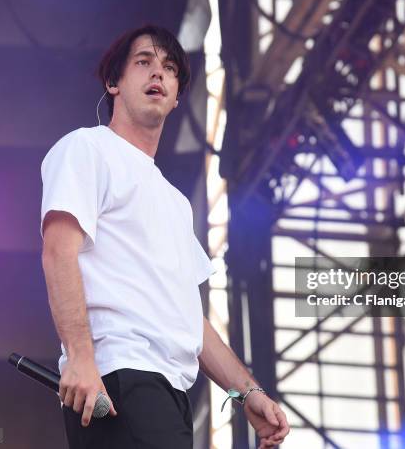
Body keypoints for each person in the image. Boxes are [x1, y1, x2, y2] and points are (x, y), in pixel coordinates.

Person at [40, 24, 290, 449]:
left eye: (170, 68)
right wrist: (81, 357)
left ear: (176, 97)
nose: (158, 73)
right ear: (113, 82)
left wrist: (248, 393)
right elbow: (57, 252)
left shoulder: (174, 201)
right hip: (118, 375)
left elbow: (189, 318)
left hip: (169, 389)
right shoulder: (87, 148)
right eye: (144, 62)